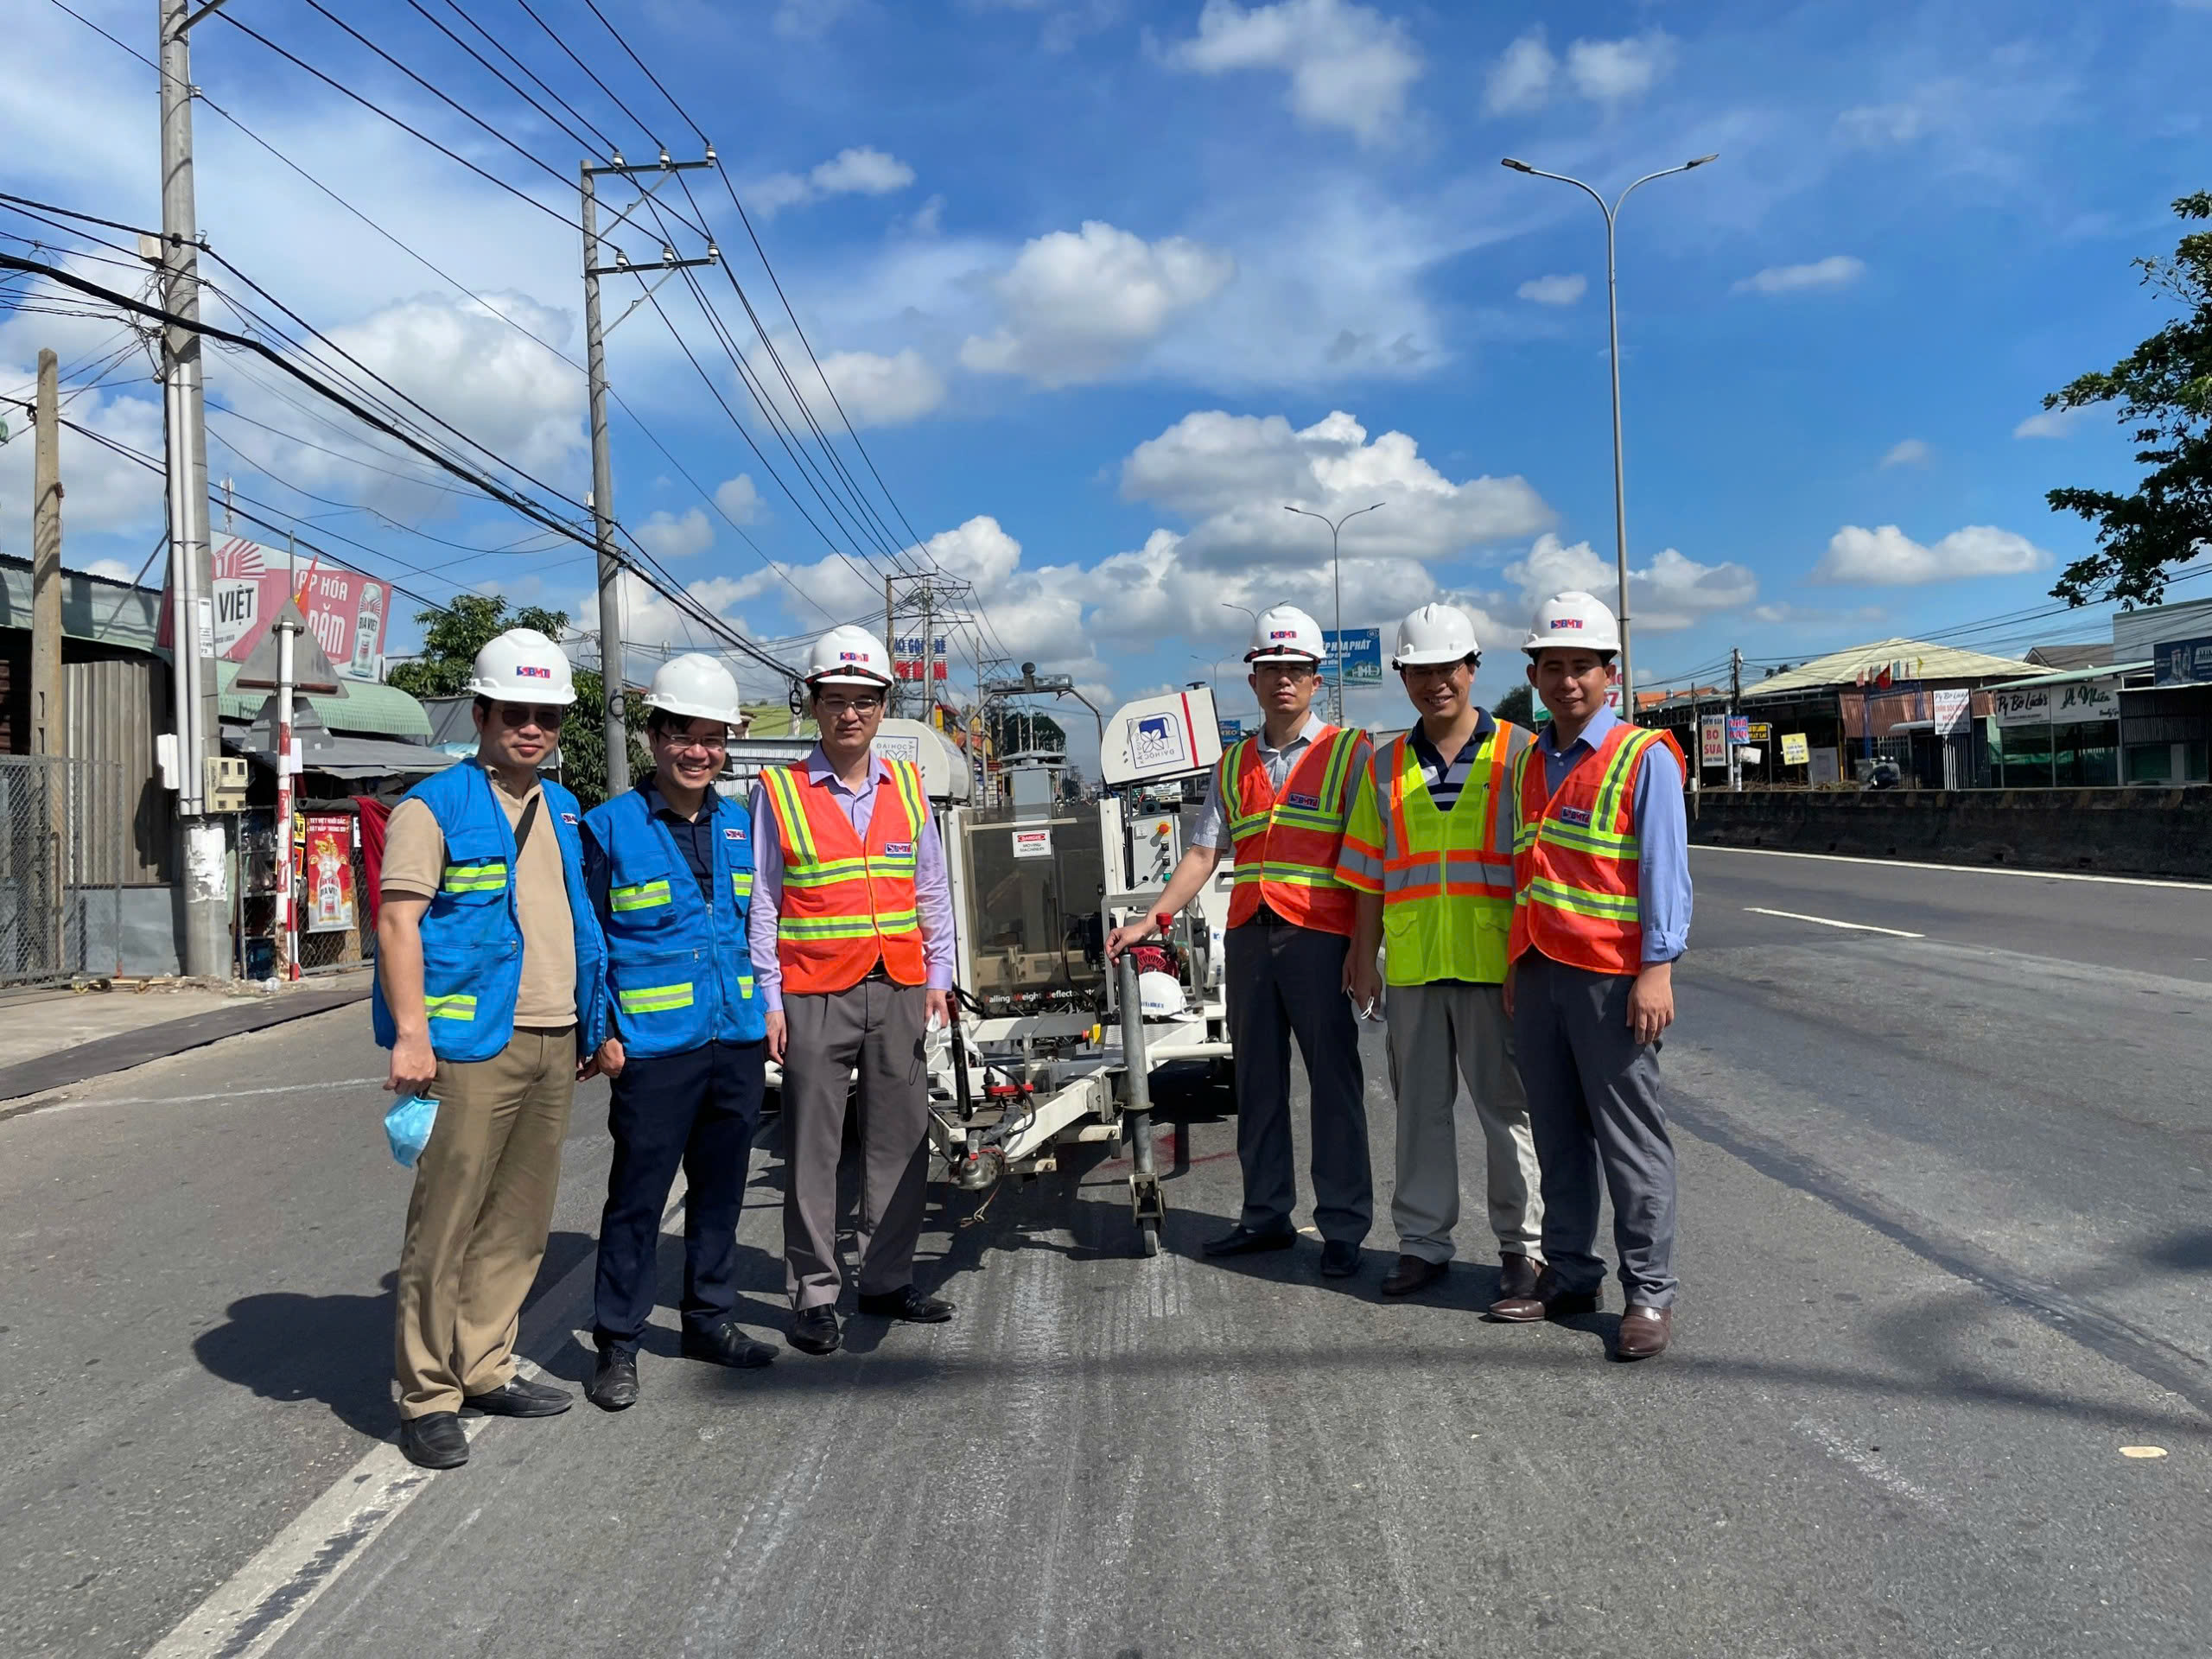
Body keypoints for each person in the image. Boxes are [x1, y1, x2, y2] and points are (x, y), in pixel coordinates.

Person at [373, 628, 607, 1469]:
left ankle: (484, 1365)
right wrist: (410, 1036)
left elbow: (578, 921)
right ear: (480, 713)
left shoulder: (567, 807)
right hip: (466, 1045)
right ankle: (426, 1393)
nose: (533, 728)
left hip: (551, 1037)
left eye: (546, 715)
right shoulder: (432, 808)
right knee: (445, 1224)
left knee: (519, 1221)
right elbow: (398, 921)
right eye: (517, 712)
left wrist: (594, 1020)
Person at [1106, 604, 1373, 1277]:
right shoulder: (1232, 765)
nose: (1283, 681)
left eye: (1296, 670)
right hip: (1250, 938)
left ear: (1316, 681)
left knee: (1334, 1084)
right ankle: (1265, 1217)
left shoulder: (1349, 754)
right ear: (1252, 682)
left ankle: (1342, 1227)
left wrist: (1363, 951)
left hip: (1320, 938)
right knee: (1256, 1084)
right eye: (1270, 670)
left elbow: (1370, 861)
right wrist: (1153, 919)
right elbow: (1201, 854)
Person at [1489, 592, 1692, 1360]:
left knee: (1631, 1142)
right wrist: (1517, 963)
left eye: (1582, 667)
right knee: (1558, 1139)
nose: (1567, 680)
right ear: (1534, 674)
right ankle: (1571, 1273)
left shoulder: (1644, 758)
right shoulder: (1530, 764)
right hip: (1540, 971)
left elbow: (1664, 873)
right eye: (1552, 666)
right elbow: (1528, 874)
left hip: (1614, 978)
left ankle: (1649, 1294)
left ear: (1611, 673)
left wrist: (1658, 970)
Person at [749, 625, 957, 1357]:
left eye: (864, 701)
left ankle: (887, 1278)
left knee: (901, 1140)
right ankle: (814, 1293)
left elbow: (931, 889)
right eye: (835, 700)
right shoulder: (779, 791)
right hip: (813, 992)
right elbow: (765, 904)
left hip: (899, 985)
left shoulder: (906, 784)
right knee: (812, 1146)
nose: (850, 714)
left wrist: (941, 976)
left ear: (881, 706)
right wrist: (769, 1000)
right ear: (812, 704)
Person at [580, 654, 774, 1412]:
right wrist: (598, 1033)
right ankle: (618, 1343)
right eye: (683, 735)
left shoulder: (741, 825)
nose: (699, 751)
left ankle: (710, 1321)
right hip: (652, 1049)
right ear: (655, 738)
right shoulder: (607, 829)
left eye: (713, 737)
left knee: (721, 1192)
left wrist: (770, 1015)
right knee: (637, 1198)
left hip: (735, 1038)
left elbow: (763, 928)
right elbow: (588, 938)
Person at [1339, 604, 1544, 1302]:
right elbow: (1368, 874)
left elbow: (1537, 875)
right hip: (1417, 968)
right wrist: (1363, 959)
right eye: (1419, 671)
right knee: (1419, 1112)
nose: (1435, 683)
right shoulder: (1384, 763)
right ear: (1403, 676)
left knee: (1506, 1111)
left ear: (1472, 669)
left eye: (1447, 668)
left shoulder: (1521, 753)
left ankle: (1524, 1250)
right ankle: (1424, 1245)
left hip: (1497, 968)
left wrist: (1529, 962)